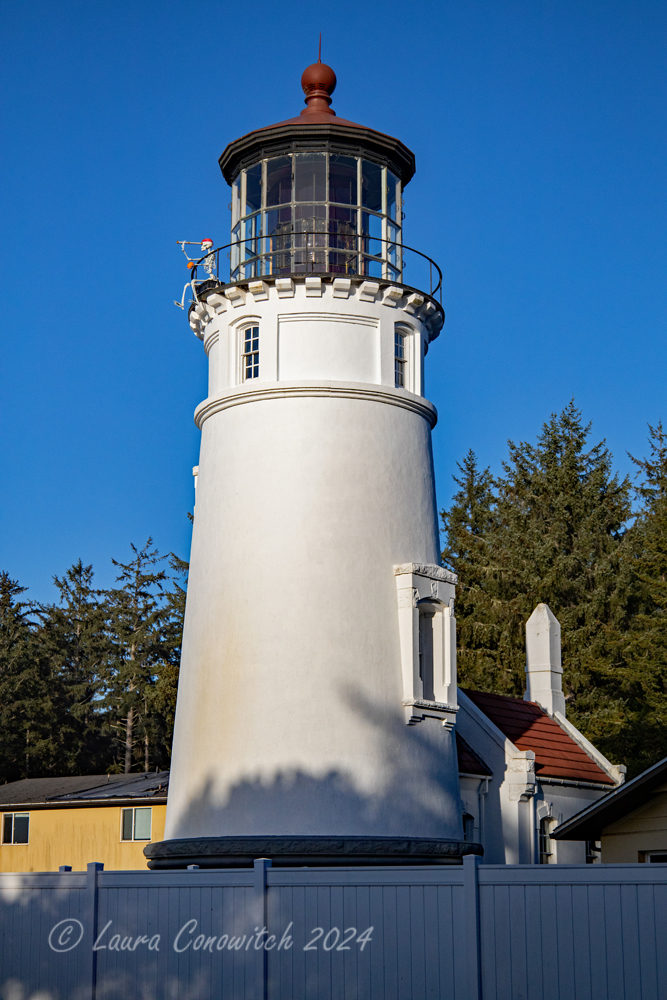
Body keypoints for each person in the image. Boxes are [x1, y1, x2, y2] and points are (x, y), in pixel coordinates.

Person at [174, 238, 216, 309]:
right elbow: (190, 259)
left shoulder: (212, 254)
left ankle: (196, 301)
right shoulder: (207, 257)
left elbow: (207, 264)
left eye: (204, 245)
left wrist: (196, 265)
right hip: (209, 275)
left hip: (212, 277)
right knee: (187, 285)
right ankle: (182, 304)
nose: (202, 247)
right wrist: (184, 250)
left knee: (193, 282)